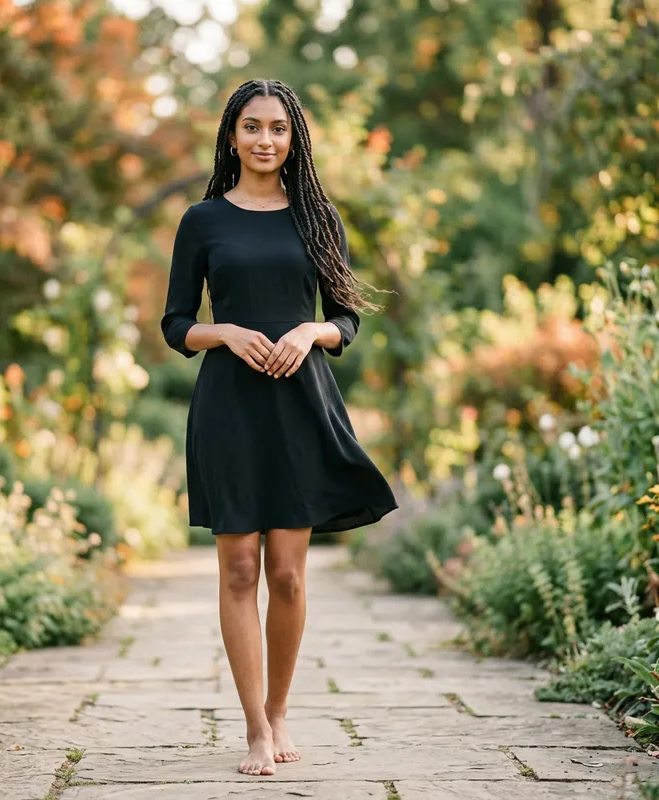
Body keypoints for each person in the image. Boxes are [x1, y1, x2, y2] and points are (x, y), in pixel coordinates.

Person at [161, 78, 399, 777]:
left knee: (288, 575)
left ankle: (281, 708)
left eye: (279, 129)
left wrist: (311, 330)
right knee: (239, 568)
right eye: (252, 126)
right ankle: (254, 729)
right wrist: (226, 331)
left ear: (294, 139)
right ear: (231, 136)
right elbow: (176, 324)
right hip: (229, 408)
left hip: (300, 404)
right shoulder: (201, 221)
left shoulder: (319, 217)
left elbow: (347, 318)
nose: (266, 140)